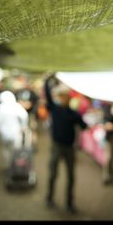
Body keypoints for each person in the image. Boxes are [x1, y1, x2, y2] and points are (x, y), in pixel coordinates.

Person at [44, 75, 88, 213]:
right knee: (52, 174)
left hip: (69, 148)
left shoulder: (74, 113)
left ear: (69, 98)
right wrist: (47, 80)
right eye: (61, 96)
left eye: (64, 96)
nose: (62, 98)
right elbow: (47, 95)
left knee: (71, 177)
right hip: (57, 145)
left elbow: (84, 126)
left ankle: (69, 204)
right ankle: (49, 198)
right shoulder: (55, 109)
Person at [0, 91, 31, 169]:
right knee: (16, 150)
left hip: (4, 134)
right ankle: (15, 166)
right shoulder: (16, 106)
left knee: (6, 150)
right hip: (15, 132)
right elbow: (24, 116)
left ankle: (9, 166)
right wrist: (23, 127)